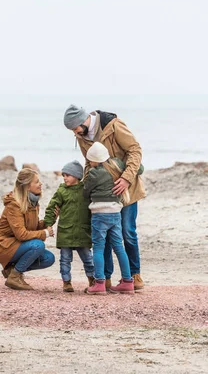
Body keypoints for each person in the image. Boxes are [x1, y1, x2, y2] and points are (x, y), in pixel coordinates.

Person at [63, 104, 146, 291]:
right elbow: (88, 164)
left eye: (74, 128)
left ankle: (135, 276)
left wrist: (126, 178)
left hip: (125, 190)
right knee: (105, 237)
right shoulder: (81, 136)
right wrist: (85, 188)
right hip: (103, 195)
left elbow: (135, 150)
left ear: (82, 121)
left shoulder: (114, 125)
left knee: (127, 232)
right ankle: (105, 279)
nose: (74, 133)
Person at [83, 142, 136, 295]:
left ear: (94, 160)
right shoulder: (117, 165)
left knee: (98, 247)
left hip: (99, 214)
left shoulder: (94, 173)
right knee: (118, 246)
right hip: (115, 213)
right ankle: (127, 281)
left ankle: (100, 282)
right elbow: (138, 168)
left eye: (90, 160)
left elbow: (85, 192)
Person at [0, 168, 55, 290]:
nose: (40, 184)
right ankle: (15, 276)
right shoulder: (14, 205)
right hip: (2, 246)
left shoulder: (33, 202)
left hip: (17, 244)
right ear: (27, 186)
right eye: (37, 181)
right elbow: (22, 234)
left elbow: (32, 227)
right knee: (38, 245)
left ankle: (11, 270)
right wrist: (45, 233)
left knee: (48, 258)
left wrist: (50, 220)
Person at [43, 160, 95, 293]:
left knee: (88, 259)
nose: (65, 178)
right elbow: (52, 207)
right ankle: (66, 282)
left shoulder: (85, 191)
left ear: (77, 176)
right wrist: (49, 224)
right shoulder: (62, 191)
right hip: (66, 231)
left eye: (67, 175)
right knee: (65, 259)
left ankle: (92, 280)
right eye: (63, 175)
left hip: (83, 231)